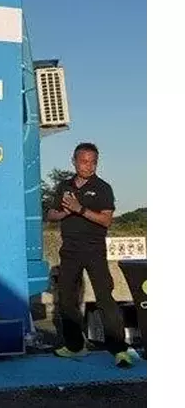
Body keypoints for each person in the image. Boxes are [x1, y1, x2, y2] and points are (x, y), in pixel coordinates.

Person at [47, 142, 135, 368]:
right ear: (74, 161)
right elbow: (51, 214)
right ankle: (75, 345)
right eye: (84, 161)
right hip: (69, 250)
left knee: (105, 299)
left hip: (94, 250)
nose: (89, 166)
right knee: (66, 300)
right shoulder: (64, 186)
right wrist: (65, 213)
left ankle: (119, 350)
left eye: (93, 162)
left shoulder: (103, 188)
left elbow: (106, 220)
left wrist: (81, 209)